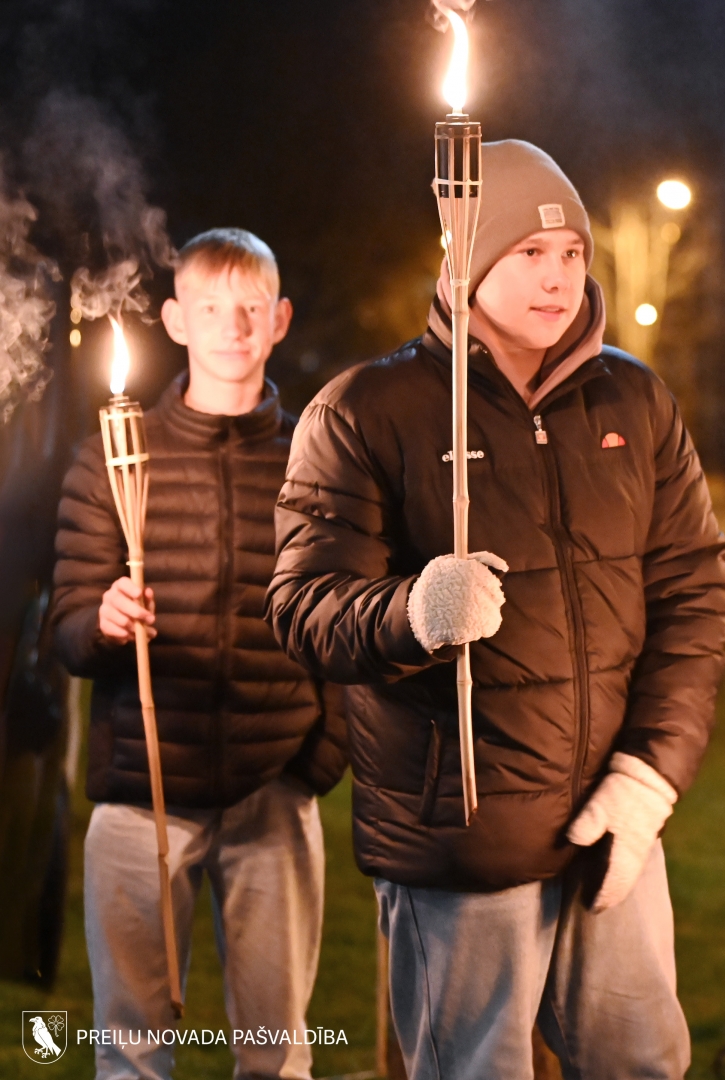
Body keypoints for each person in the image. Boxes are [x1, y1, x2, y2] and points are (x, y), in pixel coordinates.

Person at [267, 141, 725, 1080]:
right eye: (528, 253)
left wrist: (652, 774)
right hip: (461, 847)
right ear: (467, 261)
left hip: (611, 829)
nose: (559, 277)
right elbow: (305, 607)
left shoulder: (635, 400)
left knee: (646, 1066)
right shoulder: (367, 409)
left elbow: (695, 596)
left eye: (572, 255)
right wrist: (414, 612)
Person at [46, 228, 347, 1080]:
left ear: (280, 319)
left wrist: (315, 764)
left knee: (278, 1053)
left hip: (272, 790)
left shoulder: (319, 461)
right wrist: (104, 620)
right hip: (141, 789)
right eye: (211, 307)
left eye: (251, 307)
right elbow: (68, 624)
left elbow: (346, 627)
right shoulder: (113, 457)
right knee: (131, 1051)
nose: (233, 326)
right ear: (177, 320)